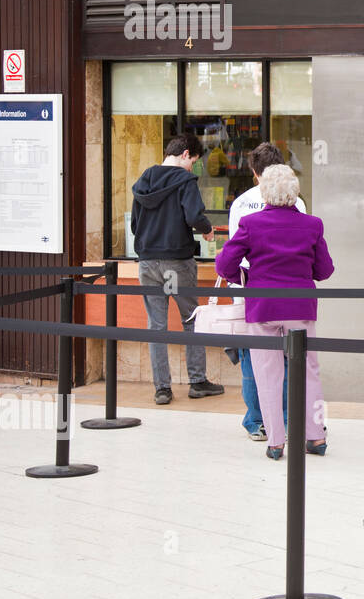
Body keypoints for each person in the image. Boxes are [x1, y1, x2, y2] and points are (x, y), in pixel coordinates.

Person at [215, 164, 334, 460]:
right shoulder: (312, 224)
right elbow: (325, 270)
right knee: (309, 371)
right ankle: (316, 437)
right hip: (300, 307)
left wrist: (245, 277)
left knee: (267, 374)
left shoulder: (251, 223)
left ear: (265, 191)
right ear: (295, 191)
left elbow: (224, 265)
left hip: (263, 306)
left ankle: (276, 441)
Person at [131, 134, 225, 405]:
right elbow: (194, 216)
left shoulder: (144, 180)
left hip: (147, 263)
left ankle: (162, 389)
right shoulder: (185, 181)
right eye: (194, 161)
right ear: (185, 154)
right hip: (176, 263)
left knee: (156, 326)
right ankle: (197, 382)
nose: (193, 167)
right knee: (191, 320)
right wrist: (207, 230)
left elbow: (136, 226)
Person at [227, 142, 306, 441]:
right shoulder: (296, 202)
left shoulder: (241, 204)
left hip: (250, 290)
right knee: (289, 358)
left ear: (253, 171)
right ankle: (285, 419)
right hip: (291, 293)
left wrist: (240, 279)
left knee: (252, 358)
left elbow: (231, 254)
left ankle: (256, 420)